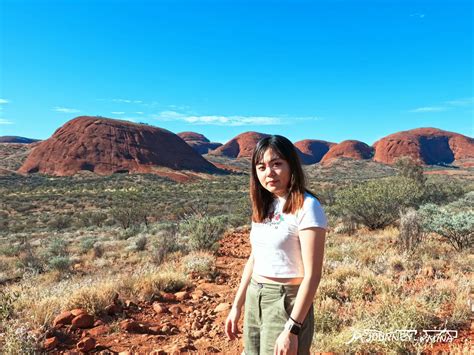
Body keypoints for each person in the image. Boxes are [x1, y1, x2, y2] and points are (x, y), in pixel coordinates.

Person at [224, 135, 328, 355]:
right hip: (256, 296)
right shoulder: (264, 204)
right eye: (261, 167)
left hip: (286, 300)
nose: (268, 172)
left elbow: (312, 275)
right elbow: (255, 258)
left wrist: (292, 329)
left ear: (291, 165)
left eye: (277, 164)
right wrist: (237, 306)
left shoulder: (308, 207)